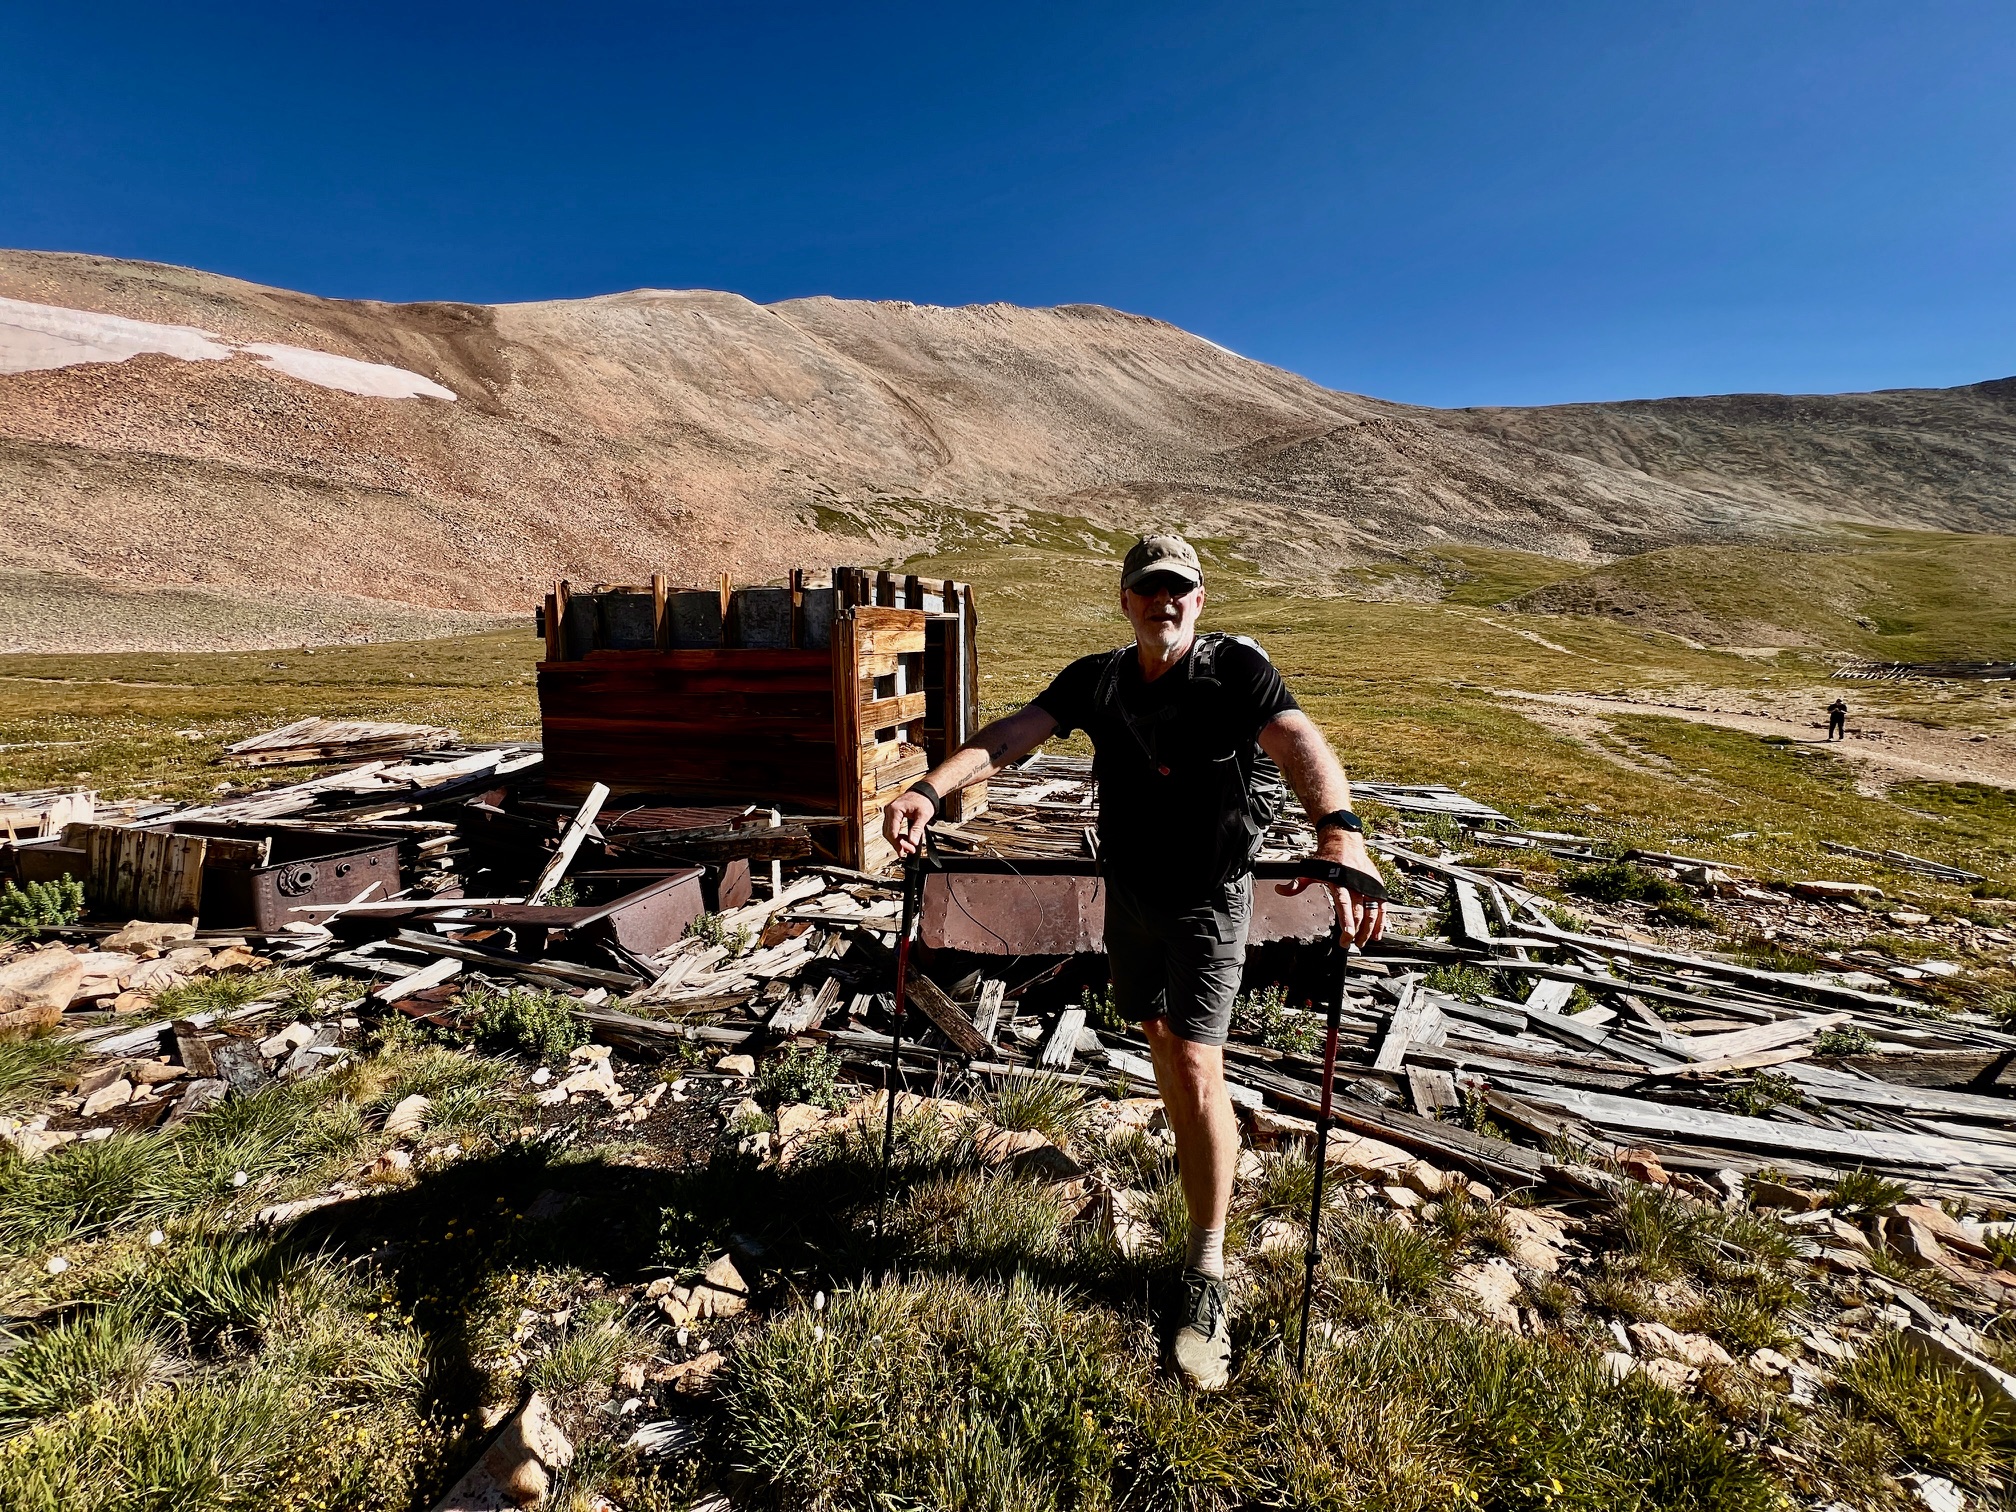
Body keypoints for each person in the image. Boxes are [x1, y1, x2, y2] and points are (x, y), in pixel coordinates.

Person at [881, 533, 1385, 1391]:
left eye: (1180, 590)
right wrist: (930, 789)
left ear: (1200, 597)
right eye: (1150, 590)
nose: (1166, 602)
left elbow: (1301, 740)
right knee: (1160, 1039)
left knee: (1194, 1060)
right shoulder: (1099, 678)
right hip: (1131, 898)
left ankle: (1206, 1267)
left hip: (1208, 900)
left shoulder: (1235, 673)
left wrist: (1340, 832)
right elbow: (1013, 736)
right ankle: (1204, 1139)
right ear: (1125, 601)